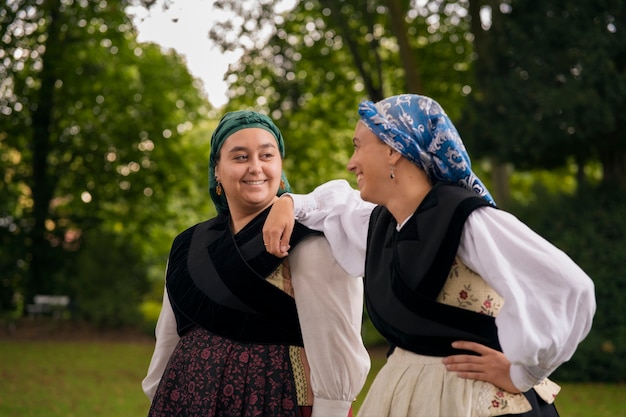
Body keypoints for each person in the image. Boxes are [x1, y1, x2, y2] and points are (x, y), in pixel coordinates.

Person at [262, 94, 596, 417]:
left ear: (394, 150)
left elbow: (570, 287)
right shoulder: (383, 223)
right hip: (409, 395)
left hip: (470, 402)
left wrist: (523, 374)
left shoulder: (468, 220)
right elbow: (335, 206)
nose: (351, 163)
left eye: (358, 146)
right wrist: (288, 202)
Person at [142, 110, 370, 417]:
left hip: (273, 398)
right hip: (187, 395)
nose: (255, 167)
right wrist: (161, 393)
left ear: (279, 165)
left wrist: (333, 409)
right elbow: (169, 335)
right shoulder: (188, 244)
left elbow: (337, 339)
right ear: (217, 171)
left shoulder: (311, 240)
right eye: (239, 157)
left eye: (267, 155)